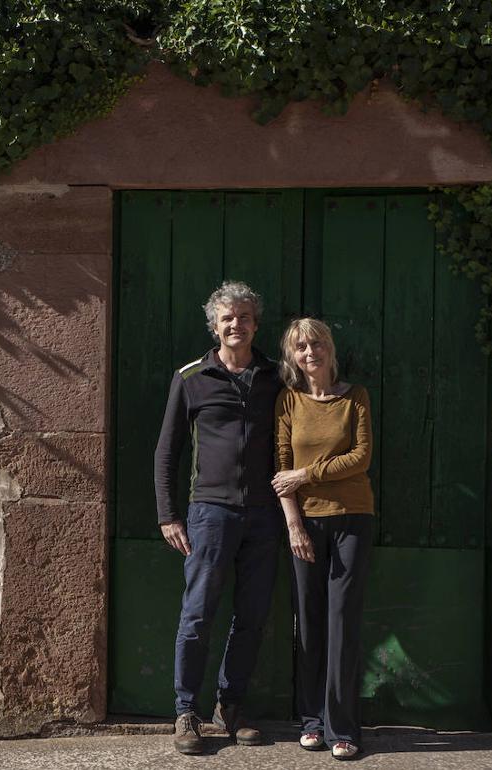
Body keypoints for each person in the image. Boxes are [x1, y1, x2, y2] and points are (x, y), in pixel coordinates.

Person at [154, 281, 283, 755]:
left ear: (256, 324)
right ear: (215, 325)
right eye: (228, 318)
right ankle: (185, 710)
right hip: (209, 512)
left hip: (265, 514)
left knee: (251, 615)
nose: (237, 325)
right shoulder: (191, 377)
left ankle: (230, 707)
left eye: (245, 317)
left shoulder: (275, 375)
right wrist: (169, 515)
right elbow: (167, 452)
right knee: (198, 613)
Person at [271, 317, 375, 761]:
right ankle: (311, 720)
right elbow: (279, 470)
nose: (310, 353)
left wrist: (306, 473)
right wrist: (293, 523)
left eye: (316, 344)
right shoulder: (288, 400)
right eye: (300, 348)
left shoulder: (355, 397)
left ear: (330, 349)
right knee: (310, 622)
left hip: (352, 518)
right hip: (306, 524)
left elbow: (361, 457)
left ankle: (343, 728)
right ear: (293, 357)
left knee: (342, 621)